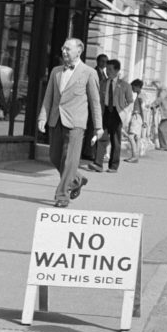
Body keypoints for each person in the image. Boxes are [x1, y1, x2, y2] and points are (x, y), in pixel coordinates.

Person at [37, 38, 102, 207]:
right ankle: (77, 180)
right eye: (63, 48)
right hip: (56, 119)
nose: (64, 51)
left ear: (78, 51)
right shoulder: (56, 71)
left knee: (69, 161)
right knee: (54, 156)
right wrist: (42, 117)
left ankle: (62, 196)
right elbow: (48, 97)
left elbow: (95, 102)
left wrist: (98, 127)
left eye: (67, 49)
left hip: (76, 123)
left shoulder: (89, 73)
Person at [91, 59, 134, 173]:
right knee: (101, 137)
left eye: (110, 69)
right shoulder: (103, 83)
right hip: (105, 112)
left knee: (115, 140)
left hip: (117, 114)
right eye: (107, 69)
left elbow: (130, 101)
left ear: (117, 70)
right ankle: (98, 164)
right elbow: (98, 99)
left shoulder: (125, 85)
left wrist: (124, 114)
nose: (107, 72)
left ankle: (113, 166)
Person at [127, 79, 146, 161]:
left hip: (137, 116)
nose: (132, 88)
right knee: (137, 137)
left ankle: (134, 155)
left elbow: (143, 108)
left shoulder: (140, 96)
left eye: (133, 87)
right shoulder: (141, 95)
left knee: (131, 136)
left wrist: (144, 120)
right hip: (139, 117)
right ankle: (136, 156)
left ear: (138, 87)